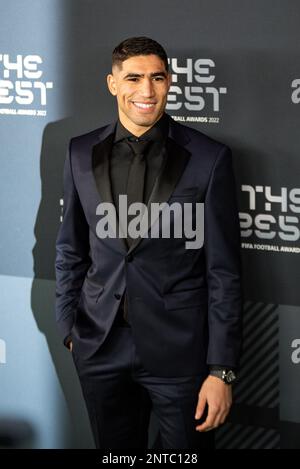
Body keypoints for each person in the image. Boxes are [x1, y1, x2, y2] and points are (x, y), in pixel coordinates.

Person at [55, 36, 242, 449]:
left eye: (157, 78)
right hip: (99, 346)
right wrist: (71, 328)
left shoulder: (209, 158)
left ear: (170, 82)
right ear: (112, 83)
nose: (147, 91)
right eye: (134, 78)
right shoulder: (79, 152)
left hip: (181, 354)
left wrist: (221, 369)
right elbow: (70, 248)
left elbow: (223, 272)